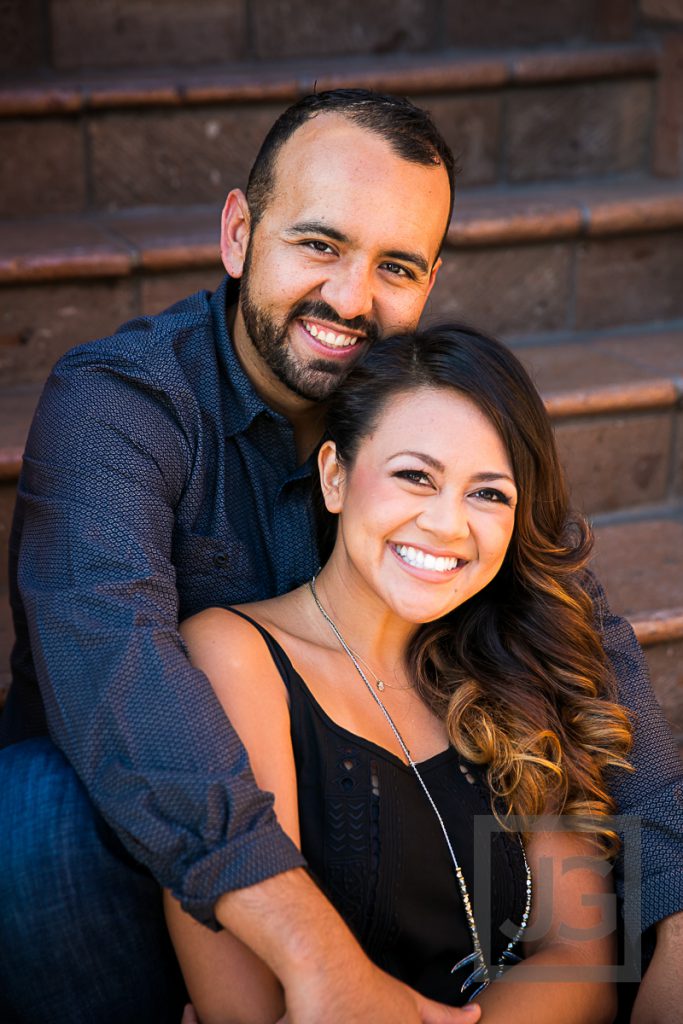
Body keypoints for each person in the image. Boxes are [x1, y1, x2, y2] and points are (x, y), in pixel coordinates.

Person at [0, 88, 680, 1024]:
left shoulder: (428, 416)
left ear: (430, 279)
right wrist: (323, 964)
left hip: (386, 832)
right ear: (239, 233)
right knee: (32, 814)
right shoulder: (121, 409)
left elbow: (573, 630)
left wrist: (673, 913)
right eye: (319, 245)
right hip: (147, 836)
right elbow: (115, 667)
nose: (351, 299)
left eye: (395, 266)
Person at [166, 323, 628, 1024]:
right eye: (415, 475)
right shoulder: (234, 656)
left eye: (489, 494)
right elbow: (246, 1007)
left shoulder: (509, 669)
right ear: (334, 476)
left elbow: (584, 963)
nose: (447, 525)